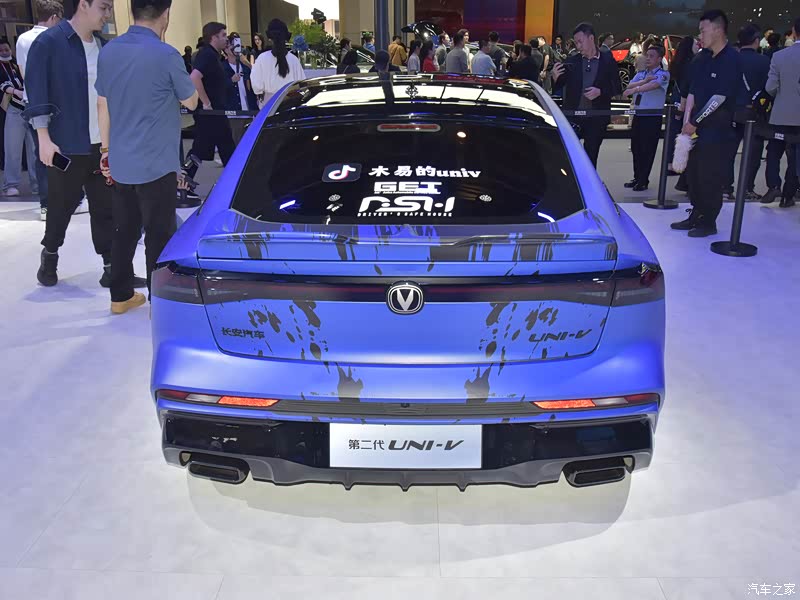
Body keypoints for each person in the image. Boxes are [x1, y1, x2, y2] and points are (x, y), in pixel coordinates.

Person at [26, 0, 144, 289]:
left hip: (103, 144)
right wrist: (43, 138)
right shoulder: (49, 43)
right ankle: (50, 254)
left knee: (107, 208)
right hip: (66, 144)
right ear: (83, 5)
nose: (107, 14)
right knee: (61, 206)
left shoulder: (105, 46)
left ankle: (111, 268)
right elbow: (37, 91)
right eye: (103, 7)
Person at [96, 0, 198, 314]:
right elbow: (192, 102)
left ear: (132, 12)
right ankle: (160, 301)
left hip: (121, 160)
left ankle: (120, 296)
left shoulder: (109, 51)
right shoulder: (166, 55)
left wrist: (105, 150)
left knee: (124, 230)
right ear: (165, 14)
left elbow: (102, 103)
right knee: (159, 233)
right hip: (156, 162)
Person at [671, 10, 741, 237]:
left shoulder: (731, 59)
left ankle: (708, 221)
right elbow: (693, 91)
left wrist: (695, 122)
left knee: (710, 177)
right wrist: (687, 122)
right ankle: (696, 213)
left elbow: (719, 98)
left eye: (703, 30)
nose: (700, 35)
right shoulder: (702, 59)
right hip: (696, 130)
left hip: (717, 131)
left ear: (718, 30)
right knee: (694, 175)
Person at [15, 0, 63, 220]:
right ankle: (74, 198)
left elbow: (24, 73)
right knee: (66, 150)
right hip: (56, 103)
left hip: (31, 102)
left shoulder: (23, 39)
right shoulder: (56, 38)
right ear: (54, 17)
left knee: (42, 155)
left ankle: (46, 206)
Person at [552, 22, 622, 167]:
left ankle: (589, 181)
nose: (578, 46)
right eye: (576, 42)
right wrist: (555, 78)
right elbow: (559, 86)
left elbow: (616, 88)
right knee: (569, 157)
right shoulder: (572, 61)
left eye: (580, 41)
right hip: (573, 117)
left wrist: (600, 92)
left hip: (596, 118)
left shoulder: (608, 60)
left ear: (591, 38)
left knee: (591, 157)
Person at [725, 23, 769, 201]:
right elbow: (770, 88)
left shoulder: (730, 59)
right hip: (754, 112)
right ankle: (747, 188)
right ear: (756, 41)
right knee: (753, 153)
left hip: (731, 111)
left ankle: (726, 187)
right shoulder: (764, 61)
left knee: (728, 151)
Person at [762, 16, 800, 207]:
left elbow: (770, 87)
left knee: (774, 151)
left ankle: (773, 185)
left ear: (794, 31)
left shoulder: (779, 56)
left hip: (781, 114)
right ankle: (788, 195)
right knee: (796, 157)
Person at [623, 45, 670, 191]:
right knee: (636, 148)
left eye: (651, 56)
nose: (648, 59)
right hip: (638, 115)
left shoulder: (663, 74)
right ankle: (637, 177)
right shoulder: (642, 74)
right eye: (647, 55)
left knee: (647, 149)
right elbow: (628, 87)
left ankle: (643, 179)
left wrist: (637, 88)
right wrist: (642, 82)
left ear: (659, 58)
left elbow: (653, 85)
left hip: (652, 116)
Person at [0, 38, 38, 199]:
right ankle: (11, 184)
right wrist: (15, 91)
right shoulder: (4, 67)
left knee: (35, 150)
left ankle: (37, 184)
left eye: (6, 49)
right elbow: (3, 85)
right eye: (1, 50)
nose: (5, 52)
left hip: (31, 109)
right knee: (12, 149)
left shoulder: (18, 64)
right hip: (15, 110)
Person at [251, 19, 305, 108]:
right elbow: (301, 85)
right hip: (289, 104)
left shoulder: (262, 58)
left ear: (270, 38)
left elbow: (257, 87)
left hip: (268, 106)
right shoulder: (294, 60)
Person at [222, 39, 257, 112]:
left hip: (249, 110)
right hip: (232, 110)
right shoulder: (222, 68)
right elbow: (219, 88)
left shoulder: (245, 66)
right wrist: (231, 80)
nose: (236, 47)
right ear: (226, 49)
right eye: (232, 44)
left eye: (237, 44)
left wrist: (246, 63)